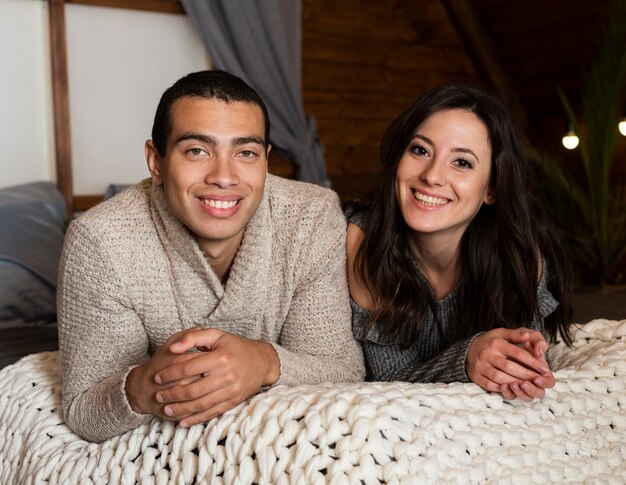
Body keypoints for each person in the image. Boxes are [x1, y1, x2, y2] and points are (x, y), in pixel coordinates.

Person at [57, 70, 365, 443]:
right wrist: (146, 385)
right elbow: (84, 410)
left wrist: (262, 362)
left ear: (266, 161)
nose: (224, 176)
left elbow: (343, 370)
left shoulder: (310, 217)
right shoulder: (101, 241)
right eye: (197, 151)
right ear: (156, 161)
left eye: (246, 153)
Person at [346, 84, 573, 402]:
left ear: (491, 189)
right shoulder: (363, 243)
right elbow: (385, 386)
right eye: (420, 150)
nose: (432, 176)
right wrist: (467, 359)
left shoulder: (519, 252)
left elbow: (524, 375)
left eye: (462, 163)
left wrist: (515, 363)